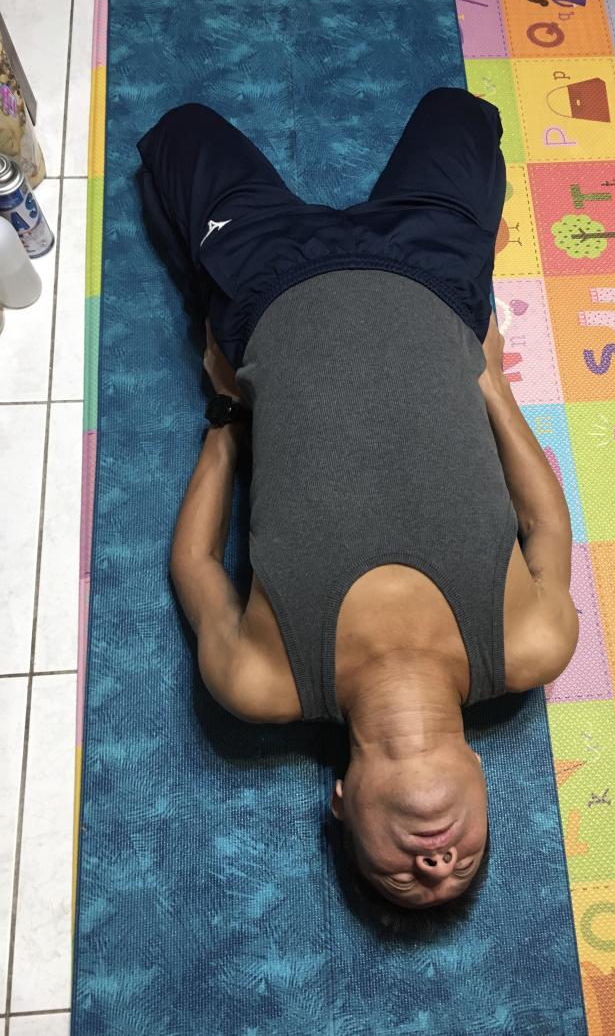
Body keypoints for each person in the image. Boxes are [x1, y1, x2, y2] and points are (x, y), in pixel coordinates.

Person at [137, 88, 578, 916]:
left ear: (341, 806)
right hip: (435, 280)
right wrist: (490, 374)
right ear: (482, 782)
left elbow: (194, 562)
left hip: (266, 287)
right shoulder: (533, 644)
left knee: (176, 132)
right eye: (464, 864)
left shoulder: (262, 683)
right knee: (463, 110)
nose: (436, 862)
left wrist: (226, 415)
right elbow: (545, 521)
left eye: (400, 877)